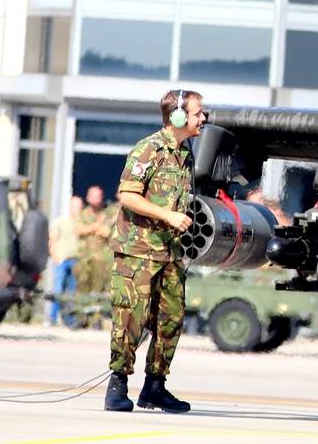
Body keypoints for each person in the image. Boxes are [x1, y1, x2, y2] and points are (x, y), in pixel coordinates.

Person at [103, 89, 205, 414]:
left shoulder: (185, 155)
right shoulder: (149, 149)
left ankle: (155, 388)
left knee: (170, 321)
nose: (203, 118)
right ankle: (117, 386)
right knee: (130, 318)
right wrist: (168, 216)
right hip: (139, 252)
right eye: (197, 113)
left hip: (172, 254)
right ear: (177, 117)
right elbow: (127, 195)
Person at [75, 185, 116, 328]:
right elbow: (79, 230)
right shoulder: (83, 214)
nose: (97, 199)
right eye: (94, 196)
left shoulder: (106, 214)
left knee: (98, 290)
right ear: (88, 197)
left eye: (99, 196)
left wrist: (92, 228)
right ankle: (81, 317)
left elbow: (105, 232)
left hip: (101, 259)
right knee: (82, 288)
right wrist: (96, 226)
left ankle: (95, 319)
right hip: (84, 259)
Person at [47, 196, 83, 327]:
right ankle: (52, 318)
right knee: (58, 289)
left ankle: (69, 320)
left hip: (75, 260)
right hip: (62, 260)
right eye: (75, 206)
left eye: (80, 206)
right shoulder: (60, 222)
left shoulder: (81, 223)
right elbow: (52, 240)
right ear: (70, 207)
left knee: (72, 291)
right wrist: (55, 256)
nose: (78, 209)